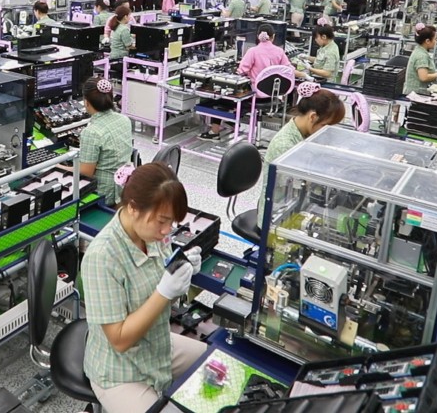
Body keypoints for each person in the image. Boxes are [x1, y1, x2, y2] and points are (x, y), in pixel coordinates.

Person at [81, 162, 206, 412]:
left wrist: (183, 275)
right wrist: (164, 292)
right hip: (119, 369)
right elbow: (119, 340)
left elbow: (163, 292)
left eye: (171, 223)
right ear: (133, 208)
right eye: (162, 221)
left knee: (213, 364)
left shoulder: (155, 237)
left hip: (155, 345)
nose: (166, 230)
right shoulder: (103, 256)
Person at [259, 83, 345, 217]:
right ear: (312, 117)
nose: (327, 131)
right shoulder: (285, 145)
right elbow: (301, 184)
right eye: (325, 125)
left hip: (298, 205)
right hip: (276, 215)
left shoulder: (306, 132)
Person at [203, 24, 290, 140]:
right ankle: (231, 122)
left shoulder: (253, 51)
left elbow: (241, 71)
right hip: (273, 96)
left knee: (222, 96)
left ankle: (215, 131)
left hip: (255, 96)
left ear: (258, 36)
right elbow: (288, 69)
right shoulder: (279, 51)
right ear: (273, 36)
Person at [76, 77, 133, 203]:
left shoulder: (91, 132)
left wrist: (58, 166)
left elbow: (85, 174)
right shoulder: (124, 120)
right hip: (123, 188)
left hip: (104, 195)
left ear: (86, 102)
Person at [404, 24, 437, 95]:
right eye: (435, 39)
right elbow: (423, 77)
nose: (436, 41)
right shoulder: (421, 56)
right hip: (416, 94)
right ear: (427, 41)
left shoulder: (420, 51)